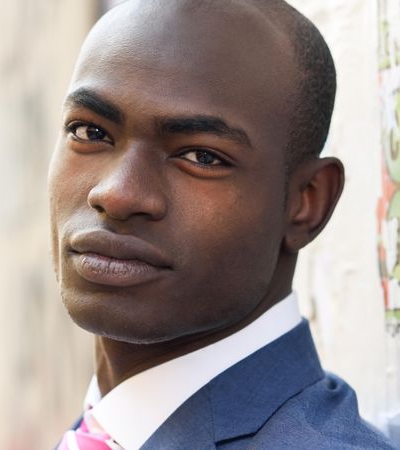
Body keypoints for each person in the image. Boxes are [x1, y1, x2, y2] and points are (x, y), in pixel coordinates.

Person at [48, 0, 398, 449]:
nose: (116, 194)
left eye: (201, 156)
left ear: (306, 202)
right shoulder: (108, 426)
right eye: (89, 132)